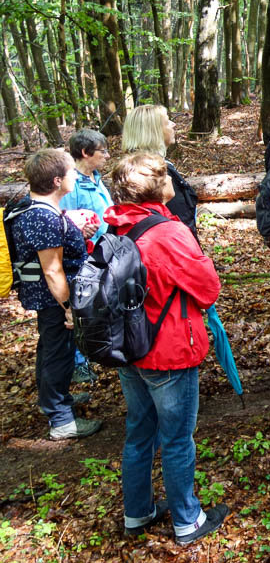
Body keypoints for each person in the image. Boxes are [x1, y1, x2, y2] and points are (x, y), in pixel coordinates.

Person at [104, 152, 228, 545]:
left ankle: (137, 512)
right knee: (176, 438)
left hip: (129, 348)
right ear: (160, 186)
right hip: (168, 350)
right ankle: (187, 521)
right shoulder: (169, 233)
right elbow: (208, 288)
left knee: (140, 432)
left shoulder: (114, 227)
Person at [10, 149, 101, 440]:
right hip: (54, 298)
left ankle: (52, 401)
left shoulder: (41, 211)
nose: (76, 175)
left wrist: (77, 235)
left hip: (50, 296)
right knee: (58, 353)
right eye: (72, 172)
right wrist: (68, 307)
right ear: (57, 180)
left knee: (51, 349)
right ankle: (61, 420)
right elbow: (52, 270)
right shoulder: (43, 218)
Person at [59, 129, 111, 384]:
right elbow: (64, 222)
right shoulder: (73, 184)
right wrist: (79, 231)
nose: (107, 155)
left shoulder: (95, 178)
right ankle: (79, 363)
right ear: (85, 153)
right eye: (102, 151)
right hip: (82, 259)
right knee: (80, 307)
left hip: (105, 252)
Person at [121, 104, 198, 242]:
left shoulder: (136, 170)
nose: (173, 124)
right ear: (154, 131)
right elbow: (177, 221)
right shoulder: (150, 175)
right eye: (167, 121)